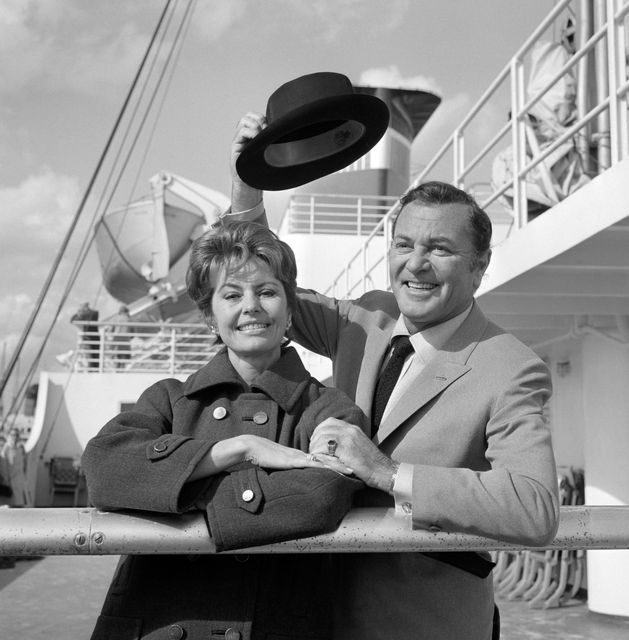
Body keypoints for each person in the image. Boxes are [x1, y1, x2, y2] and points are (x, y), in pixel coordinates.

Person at [228, 113, 560, 640]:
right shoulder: (367, 316)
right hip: (319, 611)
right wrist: (249, 182)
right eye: (404, 245)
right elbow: (266, 283)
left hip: (425, 621)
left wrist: (387, 473)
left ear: (480, 265)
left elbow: (534, 507)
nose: (417, 264)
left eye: (440, 249)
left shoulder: (510, 366)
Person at [82, 222, 366, 640]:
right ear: (211, 318)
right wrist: (239, 451)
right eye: (232, 295)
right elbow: (104, 468)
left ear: (290, 312)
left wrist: (171, 492)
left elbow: (320, 495)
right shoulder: (168, 399)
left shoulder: (328, 408)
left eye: (267, 292)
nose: (250, 306)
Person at [0, 428, 29, 507]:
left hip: (20, 483)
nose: (15, 437)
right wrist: (6, 481)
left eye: (17, 435)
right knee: (11, 506)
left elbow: (23, 465)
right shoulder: (5, 449)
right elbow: (3, 469)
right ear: (8, 436)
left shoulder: (20, 449)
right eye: (13, 435)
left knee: (20, 506)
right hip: (10, 484)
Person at [71, 301, 100, 370]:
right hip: (88, 338)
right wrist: (78, 313)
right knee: (89, 356)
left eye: (82, 307)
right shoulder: (87, 314)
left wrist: (79, 313)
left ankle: (94, 371)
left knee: (95, 356)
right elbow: (72, 320)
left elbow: (90, 316)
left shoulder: (94, 313)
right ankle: (92, 370)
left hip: (92, 338)